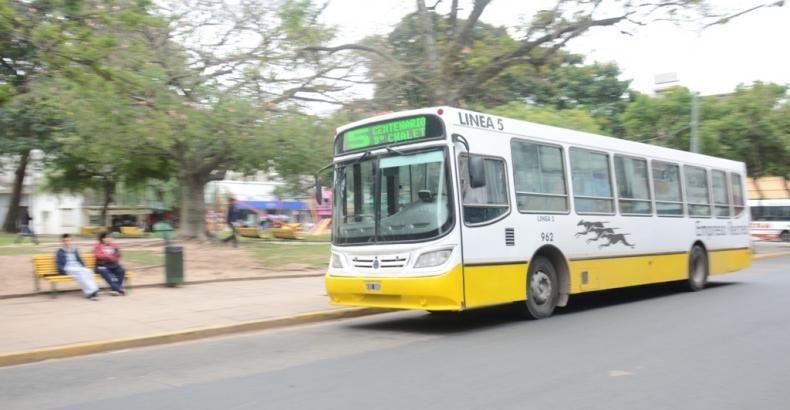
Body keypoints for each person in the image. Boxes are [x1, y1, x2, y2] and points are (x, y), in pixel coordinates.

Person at [56, 234, 100, 300]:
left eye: (68, 240)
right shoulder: (60, 251)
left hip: (77, 266)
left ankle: (92, 290)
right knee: (81, 272)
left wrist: (84, 267)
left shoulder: (74, 249)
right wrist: (62, 270)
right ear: (62, 242)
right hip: (68, 267)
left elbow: (79, 259)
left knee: (88, 271)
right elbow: (58, 263)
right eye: (65, 241)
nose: (67, 242)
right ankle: (91, 291)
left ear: (71, 241)